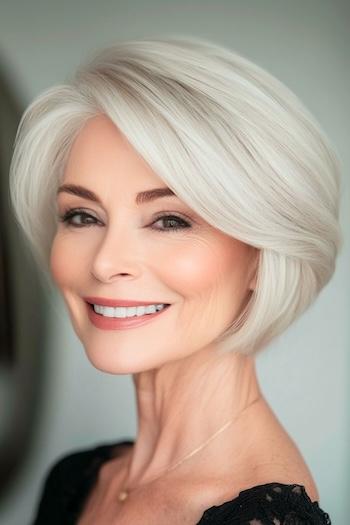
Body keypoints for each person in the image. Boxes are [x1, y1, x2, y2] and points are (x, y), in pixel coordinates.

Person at [9, 36, 341, 524]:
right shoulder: (78, 479)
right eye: (82, 215)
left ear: (261, 254)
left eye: (169, 221)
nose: (105, 262)